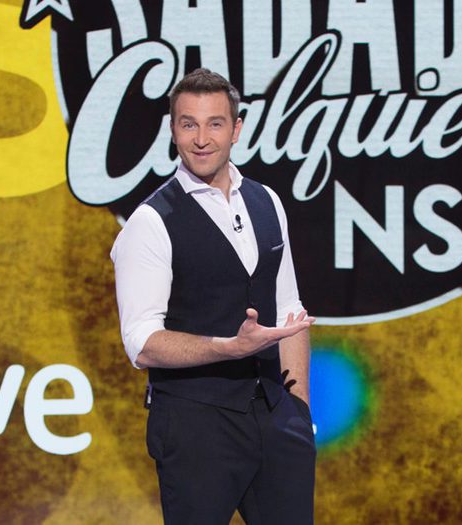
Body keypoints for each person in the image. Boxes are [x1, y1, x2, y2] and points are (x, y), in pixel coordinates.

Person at [110, 67, 317, 524]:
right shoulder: (151, 222)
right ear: (173, 130)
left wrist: (298, 410)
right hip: (195, 429)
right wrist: (228, 347)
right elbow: (141, 342)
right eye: (189, 124)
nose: (201, 139)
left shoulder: (267, 201)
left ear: (236, 129)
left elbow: (290, 309)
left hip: (276, 420)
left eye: (215, 124)